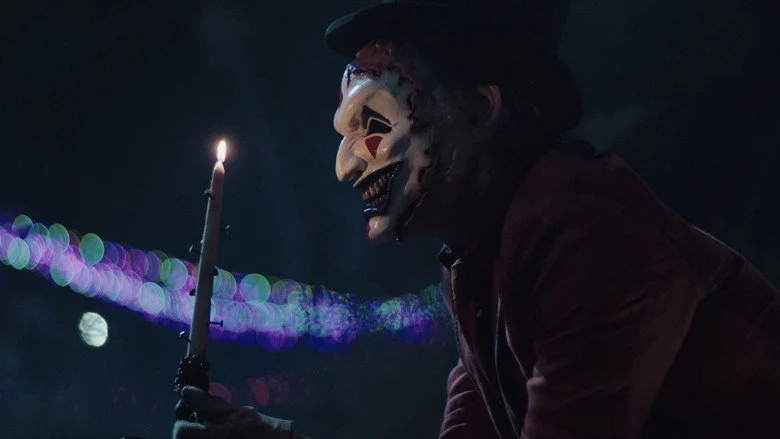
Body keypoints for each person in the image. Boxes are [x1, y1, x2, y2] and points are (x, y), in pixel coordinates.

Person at [173, 1, 780, 438]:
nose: (346, 165)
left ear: (479, 108)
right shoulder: (482, 262)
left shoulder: (591, 240)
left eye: (375, 125)